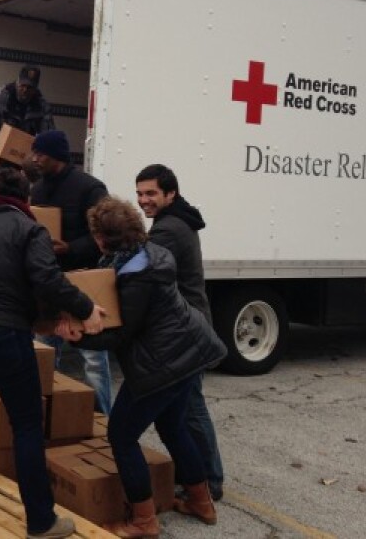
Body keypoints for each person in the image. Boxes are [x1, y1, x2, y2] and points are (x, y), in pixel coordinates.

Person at [0, 167, 106, 539]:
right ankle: (40, 521)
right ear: (26, 198)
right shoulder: (30, 230)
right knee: (27, 423)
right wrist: (84, 308)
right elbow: (47, 280)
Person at [57, 196, 227, 537]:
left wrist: (75, 338)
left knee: (121, 435)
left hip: (163, 363)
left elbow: (121, 336)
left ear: (102, 238)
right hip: (188, 352)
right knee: (174, 427)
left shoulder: (136, 276)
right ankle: (201, 502)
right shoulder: (146, 255)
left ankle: (144, 521)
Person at [136, 163, 225, 502]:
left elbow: (143, 272)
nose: (144, 200)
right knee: (184, 408)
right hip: (188, 325)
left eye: (151, 194)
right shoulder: (174, 220)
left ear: (170, 194)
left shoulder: (168, 230)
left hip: (186, 331)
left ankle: (210, 481)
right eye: (140, 193)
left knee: (189, 408)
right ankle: (200, 476)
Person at [29, 130, 113, 415]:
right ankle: (46, 416)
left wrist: (70, 248)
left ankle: (103, 422)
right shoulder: (38, 189)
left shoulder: (90, 188)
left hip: (84, 281)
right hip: (49, 284)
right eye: (34, 152)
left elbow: (107, 236)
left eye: (41, 153)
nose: (35, 158)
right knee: (44, 351)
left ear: (58, 157)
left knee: (93, 358)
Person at [0, 65, 55, 166]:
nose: (25, 90)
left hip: (25, 161)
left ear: (35, 88)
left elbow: (48, 136)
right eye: (22, 85)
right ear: (17, 81)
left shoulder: (42, 106)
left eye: (29, 87)